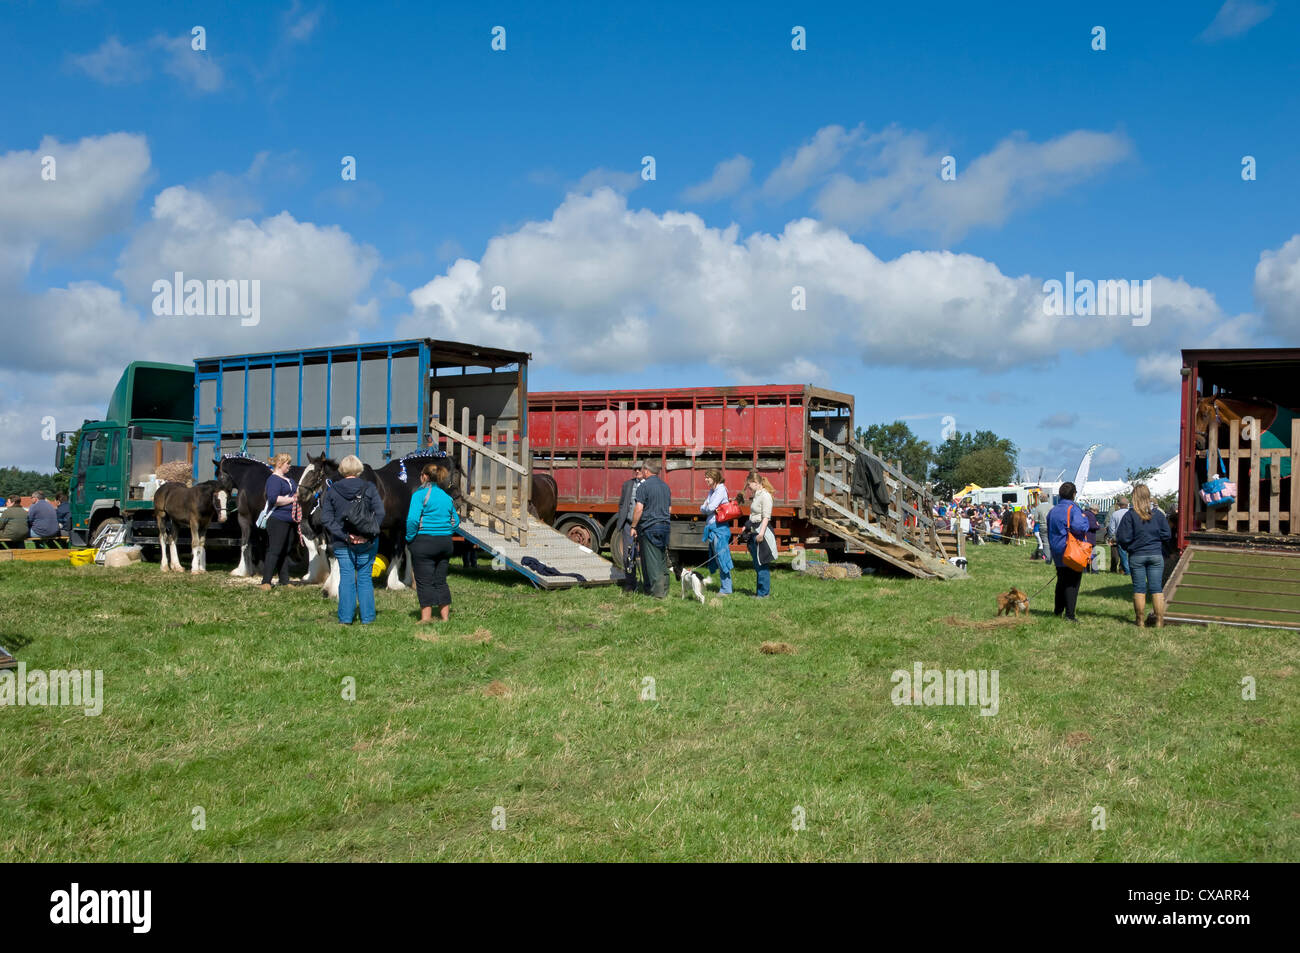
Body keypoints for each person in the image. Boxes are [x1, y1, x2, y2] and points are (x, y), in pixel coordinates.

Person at [321, 455, 385, 625]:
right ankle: (368, 618)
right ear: (359, 469)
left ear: (341, 470)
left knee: (347, 579)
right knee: (365, 579)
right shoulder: (369, 488)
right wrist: (367, 534)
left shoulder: (332, 490)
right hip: (368, 542)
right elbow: (380, 513)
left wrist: (344, 536)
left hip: (342, 543)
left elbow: (326, 518)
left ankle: (345, 618)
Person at [406, 462, 460, 623]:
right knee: (440, 580)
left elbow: (412, 520)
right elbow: (455, 522)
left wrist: (410, 538)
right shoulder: (446, 497)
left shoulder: (419, 495)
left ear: (425, 476)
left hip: (424, 542)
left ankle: (426, 618)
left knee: (424, 581)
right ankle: (445, 618)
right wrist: (445, 532)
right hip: (445, 543)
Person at [1117, 484, 1172, 628]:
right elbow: (1167, 534)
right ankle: (1160, 621)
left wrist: (1130, 547)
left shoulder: (1129, 515)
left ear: (1134, 496)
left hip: (1137, 555)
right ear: (1148, 496)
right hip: (1155, 554)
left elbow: (1122, 538)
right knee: (1156, 589)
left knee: (1139, 589)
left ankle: (1140, 621)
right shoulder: (1158, 514)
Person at [1047, 481, 1091, 622]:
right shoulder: (1073, 508)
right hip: (1071, 549)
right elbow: (1079, 527)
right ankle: (1070, 615)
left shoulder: (1053, 510)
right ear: (1073, 494)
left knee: (1061, 580)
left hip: (1057, 549)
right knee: (1072, 583)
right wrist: (1086, 521)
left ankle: (1058, 610)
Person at [630, 460, 672, 598]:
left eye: (642, 471)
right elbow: (669, 509)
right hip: (665, 527)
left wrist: (633, 526)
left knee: (651, 561)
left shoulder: (644, 486)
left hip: (650, 527)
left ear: (647, 471)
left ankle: (658, 594)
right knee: (661, 559)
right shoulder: (665, 487)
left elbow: (639, 508)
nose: (641, 473)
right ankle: (664, 589)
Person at [260, 454, 299, 590]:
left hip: (290, 519)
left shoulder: (289, 480)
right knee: (275, 550)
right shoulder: (274, 480)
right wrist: (292, 499)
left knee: (285, 550)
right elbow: (274, 499)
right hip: (278, 519)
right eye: (287, 463)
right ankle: (266, 581)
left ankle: (284, 580)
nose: (289, 465)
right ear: (279, 464)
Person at [699, 468, 734, 595]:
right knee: (718, 558)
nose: (705, 479)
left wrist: (707, 507)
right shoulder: (712, 491)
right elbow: (703, 508)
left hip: (720, 528)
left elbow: (711, 507)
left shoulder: (720, 490)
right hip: (713, 528)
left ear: (714, 478)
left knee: (721, 557)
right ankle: (725, 587)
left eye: (707, 477)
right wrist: (706, 507)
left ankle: (726, 588)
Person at [743, 471, 777, 598]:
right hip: (754, 529)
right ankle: (759, 592)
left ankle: (764, 593)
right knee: (757, 564)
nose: (748, 488)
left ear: (756, 483)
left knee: (762, 563)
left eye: (749, 485)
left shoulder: (765, 496)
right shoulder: (757, 495)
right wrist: (745, 527)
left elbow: (766, 517)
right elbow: (754, 515)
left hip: (761, 531)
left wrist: (761, 534)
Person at [614, 469, 644, 593]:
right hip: (628, 524)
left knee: (644, 556)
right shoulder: (628, 484)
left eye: (639, 469)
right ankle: (630, 583)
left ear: (645, 471)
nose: (637, 472)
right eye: (635, 470)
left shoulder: (649, 484)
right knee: (627, 556)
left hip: (643, 526)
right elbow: (622, 503)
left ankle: (646, 583)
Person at [1106, 495, 1131, 574]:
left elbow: (1111, 526)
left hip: (1116, 536)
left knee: (1116, 554)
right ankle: (1124, 570)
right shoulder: (1131, 513)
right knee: (1125, 554)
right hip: (1128, 536)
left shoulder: (1115, 513)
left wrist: (1111, 536)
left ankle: (1117, 570)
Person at [1033, 494, 1053, 561]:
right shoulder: (1052, 507)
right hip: (1052, 526)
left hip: (1043, 527)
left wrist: (1040, 521)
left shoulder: (1038, 508)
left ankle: (1048, 558)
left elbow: (1035, 520)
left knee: (1045, 543)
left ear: (1040, 499)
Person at [1082, 504, 1100, 573]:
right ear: (1094, 510)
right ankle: (1094, 571)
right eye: (1097, 511)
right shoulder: (1091, 515)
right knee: (1093, 555)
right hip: (1090, 538)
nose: (1097, 513)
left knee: (1085, 555)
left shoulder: (1084, 513)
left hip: (1084, 538)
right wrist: (1098, 526)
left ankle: (1085, 570)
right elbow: (1092, 526)